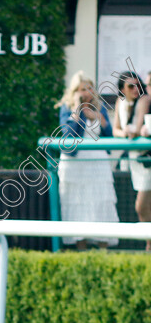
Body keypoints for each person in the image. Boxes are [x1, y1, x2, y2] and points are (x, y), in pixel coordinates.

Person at [56, 71, 118, 249]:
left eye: (90, 88)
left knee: (100, 203)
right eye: (82, 89)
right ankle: (81, 249)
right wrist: (77, 109)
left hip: (98, 164)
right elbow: (68, 135)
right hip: (75, 166)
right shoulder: (67, 108)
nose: (87, 92)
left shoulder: (100, 108)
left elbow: (109, 136)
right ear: (75, 91)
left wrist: (98, 118)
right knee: (77, 205)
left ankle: (103, 249)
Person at [128, 71, 151, 248]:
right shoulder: (141, 102)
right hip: (144, 161)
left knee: (141, 206)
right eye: (148, 85)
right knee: (143, 207)